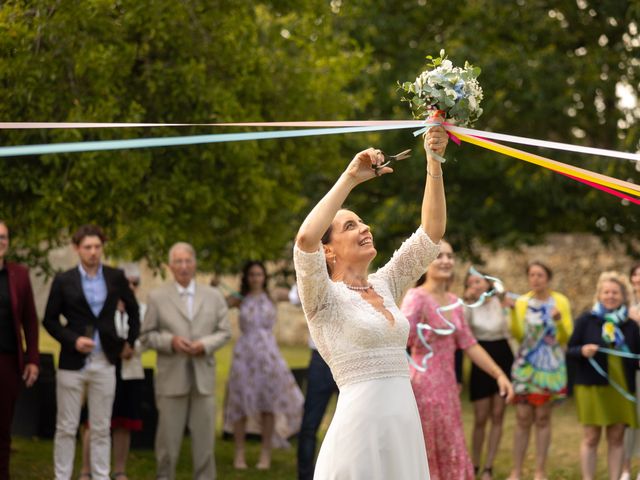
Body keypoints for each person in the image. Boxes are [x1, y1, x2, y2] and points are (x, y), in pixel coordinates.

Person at [293, 122, 447, 479]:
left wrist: (433, 160)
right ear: (328, 251)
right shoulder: (322, 298)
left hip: (403, 426)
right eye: (349, 226)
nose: (364, 228)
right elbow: (305, 239)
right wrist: (350, 177)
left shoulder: (387, 283)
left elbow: (431, 233)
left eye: (362, 222)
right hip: (359, 433)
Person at [401, 243, 514, 480]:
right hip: (422, 387)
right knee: (430, 446)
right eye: (438, 256)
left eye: (450, 256)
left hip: (449, 387)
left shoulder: (454, 301)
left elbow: (469, 344)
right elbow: (400, 342)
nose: (445, 260)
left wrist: (499, 374)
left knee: (451, 444)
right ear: (425, 262)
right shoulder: (416, 297)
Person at [43, 225, 139, 480]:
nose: (93, 252)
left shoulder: (115, 276)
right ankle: (61, 476)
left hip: (105, 359)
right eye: (88, 247)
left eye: (97, 247)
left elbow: (134, 310)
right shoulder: (64, 280)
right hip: (72, 362)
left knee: (100, 427)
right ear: (77, 249)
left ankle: (100, 475)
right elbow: (49, 320)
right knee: (66, 426)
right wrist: (73, 340)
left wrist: (129, 341)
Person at [140, 242, 231, 480]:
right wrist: (170, 341)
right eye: (178, 261)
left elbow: (224, 332)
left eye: (187, 260)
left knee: (205, 446)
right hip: (171, 378)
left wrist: (205, 345)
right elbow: (146, 336)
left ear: (195, 264)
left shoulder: (212, 296)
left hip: (204, 379)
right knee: (167, 445)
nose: (183, 266)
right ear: (170, 266)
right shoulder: (157, 297)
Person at [223, 260, 304, 470]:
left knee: (268, 402)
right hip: (245, 354)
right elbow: (217, 306)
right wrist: (215, 285)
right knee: (240, 402)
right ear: (246, 277)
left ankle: (265, 452)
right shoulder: (239, 298)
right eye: (252, 274)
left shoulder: (273, 295)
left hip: (268, 355)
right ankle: (239, 453)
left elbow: (298, 296)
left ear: (264, 276)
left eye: (259, 274)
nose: (256, 278)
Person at [567, 271, 640, 480]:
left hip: (621, 388)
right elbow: (570, 350)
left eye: (615, 292)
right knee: (591, 437)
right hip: (591, 386)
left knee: (617, 437)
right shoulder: (586, 320)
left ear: (623, 296)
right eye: (606, 292)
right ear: (599, 295)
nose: (610, 296)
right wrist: (582, 351)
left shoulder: (630, 325)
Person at [79, 263, 146, 480]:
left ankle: (119, 469)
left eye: (134, 283)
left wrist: (131, 346)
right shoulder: (102, 307)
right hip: (103, 367)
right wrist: (116, 348)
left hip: (129, 371)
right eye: (126, 283)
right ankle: (86, 470)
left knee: (123, 422)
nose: (130, 287)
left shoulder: (141, 309)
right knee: (95, 421)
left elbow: (147, 335)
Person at [507, 261, 572, 480]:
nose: (535, 279)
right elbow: (518, 334)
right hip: (526, 366)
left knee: (543, 418)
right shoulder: (523, 302)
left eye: (540, 275)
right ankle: (516, 471)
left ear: (548, 278)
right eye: (532, 275)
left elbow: (565, 337)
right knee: (522, 417)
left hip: (551, 366)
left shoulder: (560, 301)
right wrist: (511, 312)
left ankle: (540, 471)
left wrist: (559, 321)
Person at [463, 269, 514, 479]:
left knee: (498, 414)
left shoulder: (500, 301)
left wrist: (505, 305)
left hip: (502, 353)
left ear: (488, 283)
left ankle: (489, 466)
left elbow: (511, 328)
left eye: (480, 281)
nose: (477, 285)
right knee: (481, 416)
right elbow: (463, 331)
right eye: (472, 282)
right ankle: (475, 463)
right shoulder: (467, 305)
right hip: (481, 356)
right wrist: (467, 302)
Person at [0, 220, 39, 480]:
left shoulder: (19, 275)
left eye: (3, 237)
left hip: (7, 362)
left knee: (2, 428)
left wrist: (33, 359)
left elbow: (30, 320)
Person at [294, 282, 339, 480]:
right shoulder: (314, 278)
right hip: (320, 360)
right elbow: (294, 296)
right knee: (310, 424)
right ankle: (305, 476)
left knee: (353, 423)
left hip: (349, 358)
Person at [621, 263, 640, 480]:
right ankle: (624, 468)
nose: (638, 278)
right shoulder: (623, 303)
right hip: (625, 369)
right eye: (635, 274)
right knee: (626, 419)